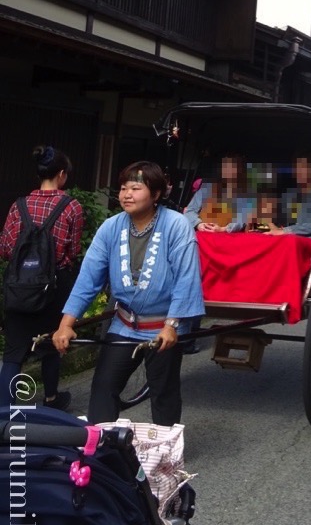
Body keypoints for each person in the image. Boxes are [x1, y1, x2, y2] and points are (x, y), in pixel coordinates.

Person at [53, 161, 205, 426]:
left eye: (136, 188)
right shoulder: (111, 227)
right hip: (125, 325)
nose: (127, 194)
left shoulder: (176, 225)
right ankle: (101, 449)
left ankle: (164, 458)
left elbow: (186, 278)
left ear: (156, 194)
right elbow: (88, 278)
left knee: (163, 392)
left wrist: (172, 325)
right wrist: (66, 323)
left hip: (164, 327)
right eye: (124, 188)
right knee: (103, 386)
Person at [0, 145, 85, 410]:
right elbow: (73, 251)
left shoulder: (19, 206)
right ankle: (51, 399)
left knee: (13, 352)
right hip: (55, 286)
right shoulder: (71, 207)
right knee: (51, 343)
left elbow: (5, 248)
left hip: (19, 286)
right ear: (62, 174)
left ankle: (4, 409)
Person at [185, 155, 256, 232]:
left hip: (227, 238)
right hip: (202, 235)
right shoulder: (207, 188)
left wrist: (223, 229)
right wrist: (199, 224)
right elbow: (190, 211)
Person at [280, 155, 311, 235]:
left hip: (310, 238)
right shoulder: (291, 194)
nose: (298, 171)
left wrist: (285, 231)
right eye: (296, 167)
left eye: (303, 167)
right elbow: (286, 221)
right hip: (290, 235)